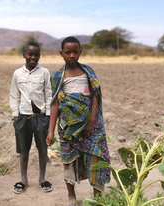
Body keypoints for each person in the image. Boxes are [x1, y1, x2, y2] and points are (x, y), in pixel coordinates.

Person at [46, 36, 110, 206]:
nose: (72, 55)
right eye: (68, 52)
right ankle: (71, 196)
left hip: (92, 126)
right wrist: (51, 131)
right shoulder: (58, 77)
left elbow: (96, 95)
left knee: (96, 158)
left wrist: (93, 119)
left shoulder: (88, 72)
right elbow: (55, 104)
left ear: (80, 52)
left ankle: (98, 197)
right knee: (68, 160)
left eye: (75, 52)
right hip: (68, 128)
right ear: (61, 53)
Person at [10, 42, 53, 194]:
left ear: (39, 56)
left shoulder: (44, 72)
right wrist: (15, 116)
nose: (33, 57)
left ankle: (42, 178)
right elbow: (14, 95)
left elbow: (49, 94)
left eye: (36, 54)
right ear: (24, 55)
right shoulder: (17, 73)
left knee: (43, 149)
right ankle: (23, 179)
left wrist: (48, 116)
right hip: (23, 117)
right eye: (30, 54)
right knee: (24, 150)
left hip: (41, 118)